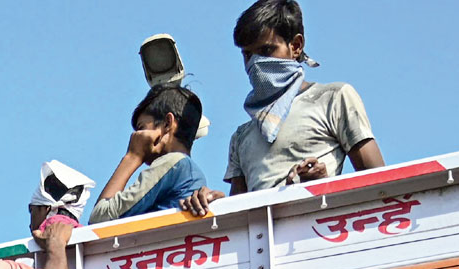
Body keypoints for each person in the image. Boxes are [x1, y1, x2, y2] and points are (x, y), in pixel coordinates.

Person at [180, 0, 385, 217]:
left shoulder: (333, 98)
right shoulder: (241, 137)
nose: (255, 64)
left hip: (324, 235)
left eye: (266, 50)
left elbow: (381, 183)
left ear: (296, 46)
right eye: (248, 55)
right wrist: (215, 203)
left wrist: (324, 185)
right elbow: (239, 215)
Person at [90, 86, 209, 223]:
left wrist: (132, 156)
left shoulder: (174, 162)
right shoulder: (193, 172)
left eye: (141, 128)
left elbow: (100, 217)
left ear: (167, 123)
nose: (135, 137)